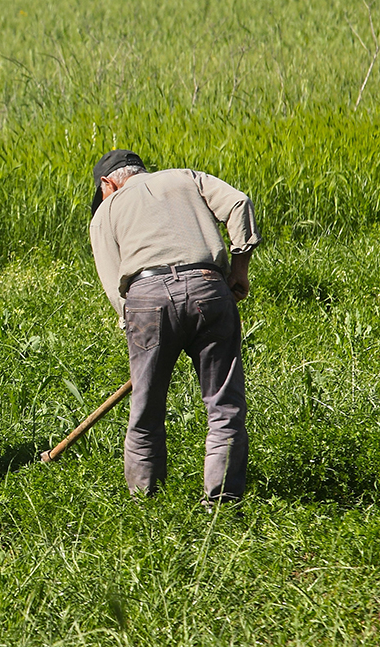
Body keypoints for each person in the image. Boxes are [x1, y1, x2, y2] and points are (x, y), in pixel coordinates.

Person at [88, 149, 260, 502]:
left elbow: (113, 284)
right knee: (223, 406)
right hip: (208, 288)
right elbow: (239, 202)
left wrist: (136, 329)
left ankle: (145, 503)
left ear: (108, 183)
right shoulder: (184, 177)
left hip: (146, 300)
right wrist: (239, 269)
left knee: (146, 409)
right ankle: (223, 503)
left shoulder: (106, 211)